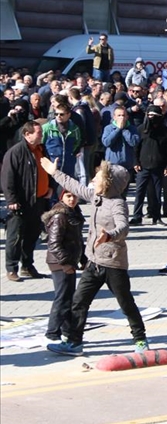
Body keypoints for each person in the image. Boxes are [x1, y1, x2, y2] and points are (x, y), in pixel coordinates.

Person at [42, 158, 149, 356]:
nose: (93, 179)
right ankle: (74, 342)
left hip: (113, 263)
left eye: (98, 177)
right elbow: (74, 185)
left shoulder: (117, 204)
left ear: (109, 183)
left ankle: (140, 339)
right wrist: (54, 173)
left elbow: (124, 227)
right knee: (79, 302)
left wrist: (110, 235)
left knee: (126, 303)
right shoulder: (95, 196)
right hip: (94, 262)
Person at [2, 121, 50, 281]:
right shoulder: (15, 152)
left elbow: (49, 169)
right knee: (15, 237)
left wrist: (51, 186)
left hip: (38, 201)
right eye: (38, 133)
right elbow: (7, 178)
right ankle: (11, 268)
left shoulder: (41, 150)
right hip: (21, 202)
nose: (41, 135)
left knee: (32, 235)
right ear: (27, 134)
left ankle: (27, 266)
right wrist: (11, 199)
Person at [42, 189, 86, 341]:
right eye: (68, 196)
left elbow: (78, 239)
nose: (72, 199)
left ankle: (68, 332)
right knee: (62, 297)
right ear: (62, 197)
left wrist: (83, 258)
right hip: (59, 262)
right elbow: (54, 243)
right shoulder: (60, 215)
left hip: (68, 260)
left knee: (68, 297)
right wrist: (66, 263)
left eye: (74, 196)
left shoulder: (73, 213)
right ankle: (53, 332)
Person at [130, 106, 167, 226]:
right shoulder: (141, 129)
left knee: (157, 193)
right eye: (149, 115)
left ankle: (156, 216)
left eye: (154, 115)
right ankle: (137, 216)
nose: (151, 118)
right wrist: (136, 162)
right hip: (142, 166)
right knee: (140, 192)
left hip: (158, 167)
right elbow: (136, 148)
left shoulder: (165, 132)